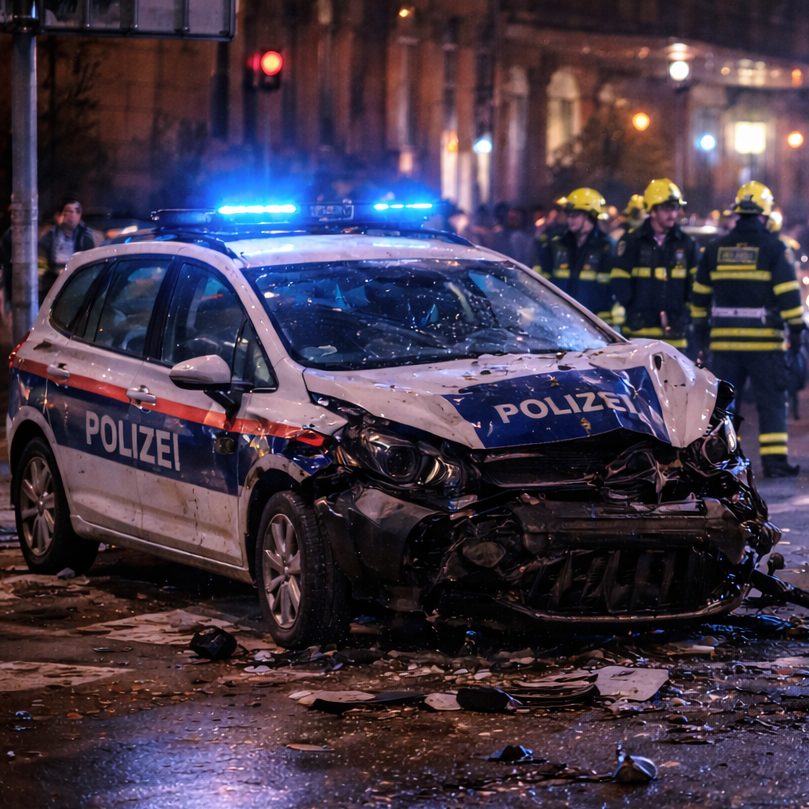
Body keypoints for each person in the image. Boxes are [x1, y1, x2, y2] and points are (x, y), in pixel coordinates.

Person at [691, 181, 805, 478]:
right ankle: (774, 462)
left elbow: (700, 296)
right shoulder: (774, 248)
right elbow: (789, 297)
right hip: (764, 345)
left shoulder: (715, 249)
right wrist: (796, 331)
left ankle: (722, 461)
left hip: (724, 344)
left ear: (738, 213)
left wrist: (701, 333)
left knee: (725, 407)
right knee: (771, 402)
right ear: (764, 215)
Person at [610, 178, 698, 350]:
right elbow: (619, 283)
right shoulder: (632, 241)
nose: (673, 214)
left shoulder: (687, 244)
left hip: (675, 334)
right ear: (652, 210)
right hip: (639, 333)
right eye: (667, 208)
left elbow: (693, 287)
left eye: (675, 208)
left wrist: (684, 315)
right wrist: (635, 310)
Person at [535, 187, 614, 322]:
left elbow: (610, 291)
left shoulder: (606, 248)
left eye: (575, 215)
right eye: (569, 215)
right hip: (558, 321)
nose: (570, 220)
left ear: (590, 216)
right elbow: (539, 283)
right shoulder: (555, 245)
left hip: (593, 324)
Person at [38, 196, 96, 302]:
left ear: (80, 216)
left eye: (75, 212)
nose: (71, 215)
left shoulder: (85, 236)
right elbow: (41, 260)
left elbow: (90, 263)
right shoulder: (51, 235)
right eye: (67, 211)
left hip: (76, 282)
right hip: (52, 282)